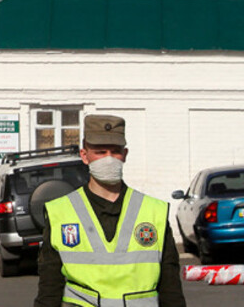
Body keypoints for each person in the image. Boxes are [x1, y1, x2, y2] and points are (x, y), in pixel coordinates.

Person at [34, 115, 185, 307]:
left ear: (125, 154)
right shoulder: (61, 213)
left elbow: (170, 289)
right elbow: (49, 289)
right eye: (100, 152)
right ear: (84, 155)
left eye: (115, 152)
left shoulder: (154, 212)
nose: (108, 159)